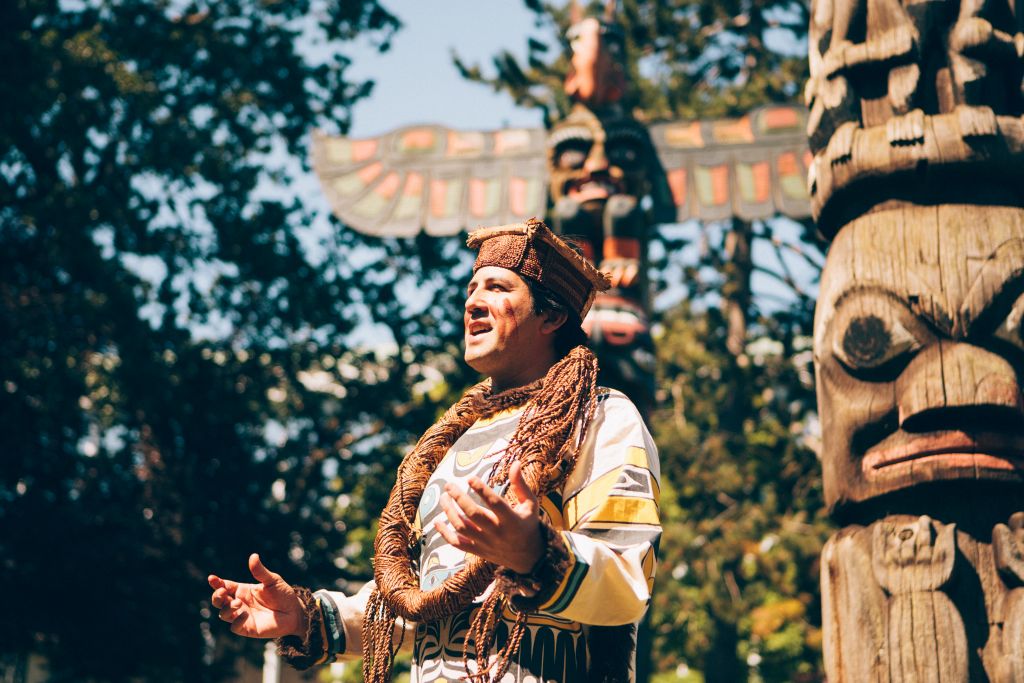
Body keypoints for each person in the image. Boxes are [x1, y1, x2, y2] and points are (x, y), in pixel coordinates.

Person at [208, 218, 662, 683]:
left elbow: (628, 581)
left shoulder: (601, 416)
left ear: (551, 316)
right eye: (471, 288)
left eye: (497, 287)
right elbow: (425, 599)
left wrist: (538, 554)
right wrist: (306, 616)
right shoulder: (455, 441)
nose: (473, 302)